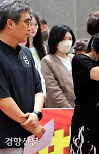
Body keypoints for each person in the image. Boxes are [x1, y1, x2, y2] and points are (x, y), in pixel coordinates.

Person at [0, 0, 45, 153]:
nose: (30, 28)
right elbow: (3, 100)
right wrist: (32, 124)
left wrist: (36, 114)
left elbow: (38, 89)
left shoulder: (26, 52)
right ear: (10, 23)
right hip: (6, 139)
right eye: (26, 22)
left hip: (29, 137)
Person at [41, 24, 76, 108]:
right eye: (64, 39)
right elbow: (53, 90)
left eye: (70, 39)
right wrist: (69, 110)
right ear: (55, 40)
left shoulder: (73, 58)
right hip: (60, 111)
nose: (67, 42)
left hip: (78, 109)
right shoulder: (48, 61)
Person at [25, 13, 47, 97]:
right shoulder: (20, 49)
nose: (33, 28)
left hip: (43, 92)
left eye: (36, 25)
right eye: (30, 24)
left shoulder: (43, 48)